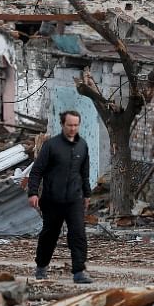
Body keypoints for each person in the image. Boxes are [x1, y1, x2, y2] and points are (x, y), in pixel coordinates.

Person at [27, 110, 93, 284]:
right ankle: (41, 267)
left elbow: (84, 173)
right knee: (50, 234)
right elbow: (37, 171)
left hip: (74, 199)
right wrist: (33, 193)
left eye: (76, 125)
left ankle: (78, 271)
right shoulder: (51, 146)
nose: (73, 128)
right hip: (52, 199)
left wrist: (87, 194)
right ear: (63, 125)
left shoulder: (82, 146)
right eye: (69, 125)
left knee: (78, 234)